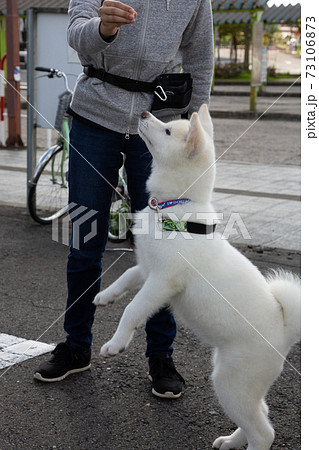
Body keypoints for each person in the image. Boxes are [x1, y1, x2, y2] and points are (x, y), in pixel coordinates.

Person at [34, 0, 214, 399]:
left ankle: (161, 357)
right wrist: (103, 29)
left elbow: (200, 55)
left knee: (166, 248)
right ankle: (76, 345)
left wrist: (195, 129)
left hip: (158, 127)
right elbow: (76, 32)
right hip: (94, 118)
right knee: (84, 239)